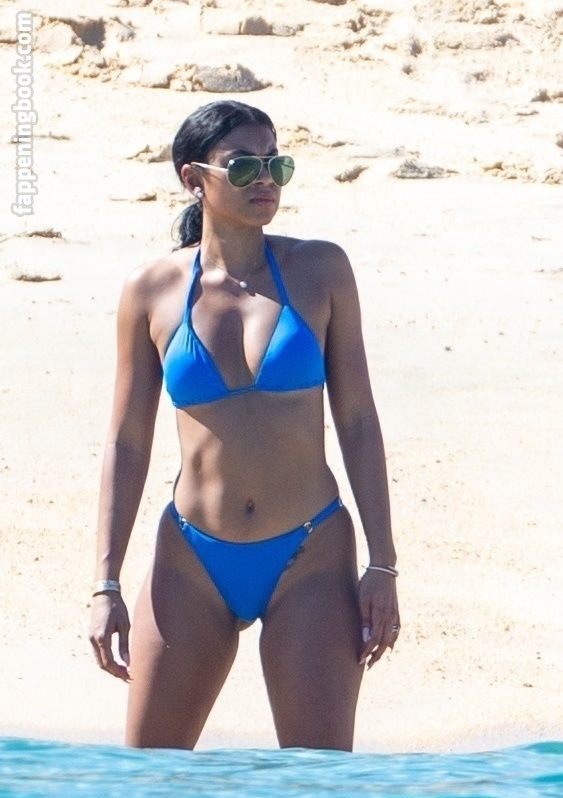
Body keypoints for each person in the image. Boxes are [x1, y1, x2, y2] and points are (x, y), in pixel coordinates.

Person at [89, 100, 400, 751]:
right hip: (191, 557)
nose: (266, 179)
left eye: (276, 164)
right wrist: (106, 583)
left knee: (314, 782)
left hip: (311, 551)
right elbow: (125, 442)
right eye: (243, 166)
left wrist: (383, 564)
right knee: (150, 782)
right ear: (192, 178)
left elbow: (358, 421)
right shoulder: (150, 291)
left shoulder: (321, 271)